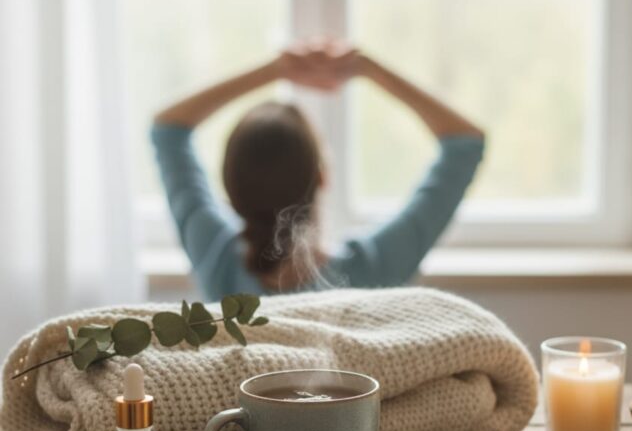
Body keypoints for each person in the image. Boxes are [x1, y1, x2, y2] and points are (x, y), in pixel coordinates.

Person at [152, 44, 485, 299]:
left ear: (230, 188)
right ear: (323, 177)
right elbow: (465, 142)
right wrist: (367, 68)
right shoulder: (370, 271)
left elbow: (168, 129)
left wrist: (275, 70)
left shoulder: (217, 260)